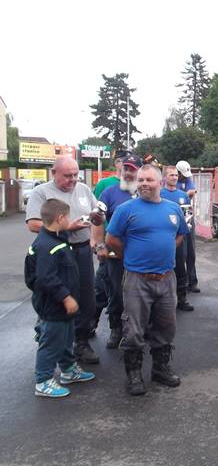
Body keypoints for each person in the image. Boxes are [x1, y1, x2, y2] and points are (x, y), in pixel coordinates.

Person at [106, 164, 189, 396]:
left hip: (167, 279)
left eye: (149, 180)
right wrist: (129, 257)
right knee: (134, 329)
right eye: (141, 180)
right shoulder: (126, 209)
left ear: (160, 183)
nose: (143, 184)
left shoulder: (173, 209)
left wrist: (165, 251)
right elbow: (111, 239)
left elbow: (180, 235)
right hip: (137, 280)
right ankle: (134, 374)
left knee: (166, 327)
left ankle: (160, 369)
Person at [25, 157, 100, 364]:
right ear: (54, 173)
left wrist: (96, 228)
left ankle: (81, 341)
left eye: (76, 174)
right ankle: (47, 333)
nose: (73, 179)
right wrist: (67, 227)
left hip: (82, 250)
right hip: (56, 252)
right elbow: (33, 224)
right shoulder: (42, 192)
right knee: (56, 295)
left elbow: (95, 216)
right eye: (67, 175)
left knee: (86, 297)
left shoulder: (84, 189)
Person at [25, 199, 95, 398]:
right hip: (53, 305)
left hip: (64, 305)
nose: (69, 220)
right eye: (68, 217)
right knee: (51, 341)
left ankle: (68, 370)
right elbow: (46, 278)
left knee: (66, 338)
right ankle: (43, 380)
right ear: (60, 218)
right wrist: (65, 298)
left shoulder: (57, 239)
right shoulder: (47, 245)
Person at [92, 154, 143, 348]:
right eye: (126, 168)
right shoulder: (110, 193)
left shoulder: (148, 192)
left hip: (141, 255)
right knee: (115, 292)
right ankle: (116, 329)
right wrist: (99, 245)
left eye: (132, 169)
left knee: (141, 292)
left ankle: (140, 328)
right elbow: (97, 219)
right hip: (115, 254)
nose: (128, 173)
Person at [92, 149, 127, 335]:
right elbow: (97, 216)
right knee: (105, 287)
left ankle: (136, 328)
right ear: (117, 164)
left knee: (132, 291)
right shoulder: (106, 187)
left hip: (134, 251)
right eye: (122, 162)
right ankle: (93, 325)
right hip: (110, 247)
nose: (126, 168)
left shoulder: (142, 188)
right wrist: (99, 244)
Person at [161, 165, 194, 311]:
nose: (174, 177)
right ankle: (162, 299)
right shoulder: (159, 194)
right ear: (164, 177)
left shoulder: (183, 195)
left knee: (180, 267)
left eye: (176, 175)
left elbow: (188, 216)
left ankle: (182, 298)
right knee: (164, 268)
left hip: (180, 238)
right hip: (163, 238)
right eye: (171, 175)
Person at [176, 160, 199, 293]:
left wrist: (183, 193)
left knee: (191, 251)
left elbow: (192, 191)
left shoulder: (187, 179)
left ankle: (192, 281)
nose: (185, 177)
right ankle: (181, 282)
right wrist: (185, 193)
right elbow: (188, 193)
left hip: (187, 216)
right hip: (175, 219)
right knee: (180, 253)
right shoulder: (170, 181)